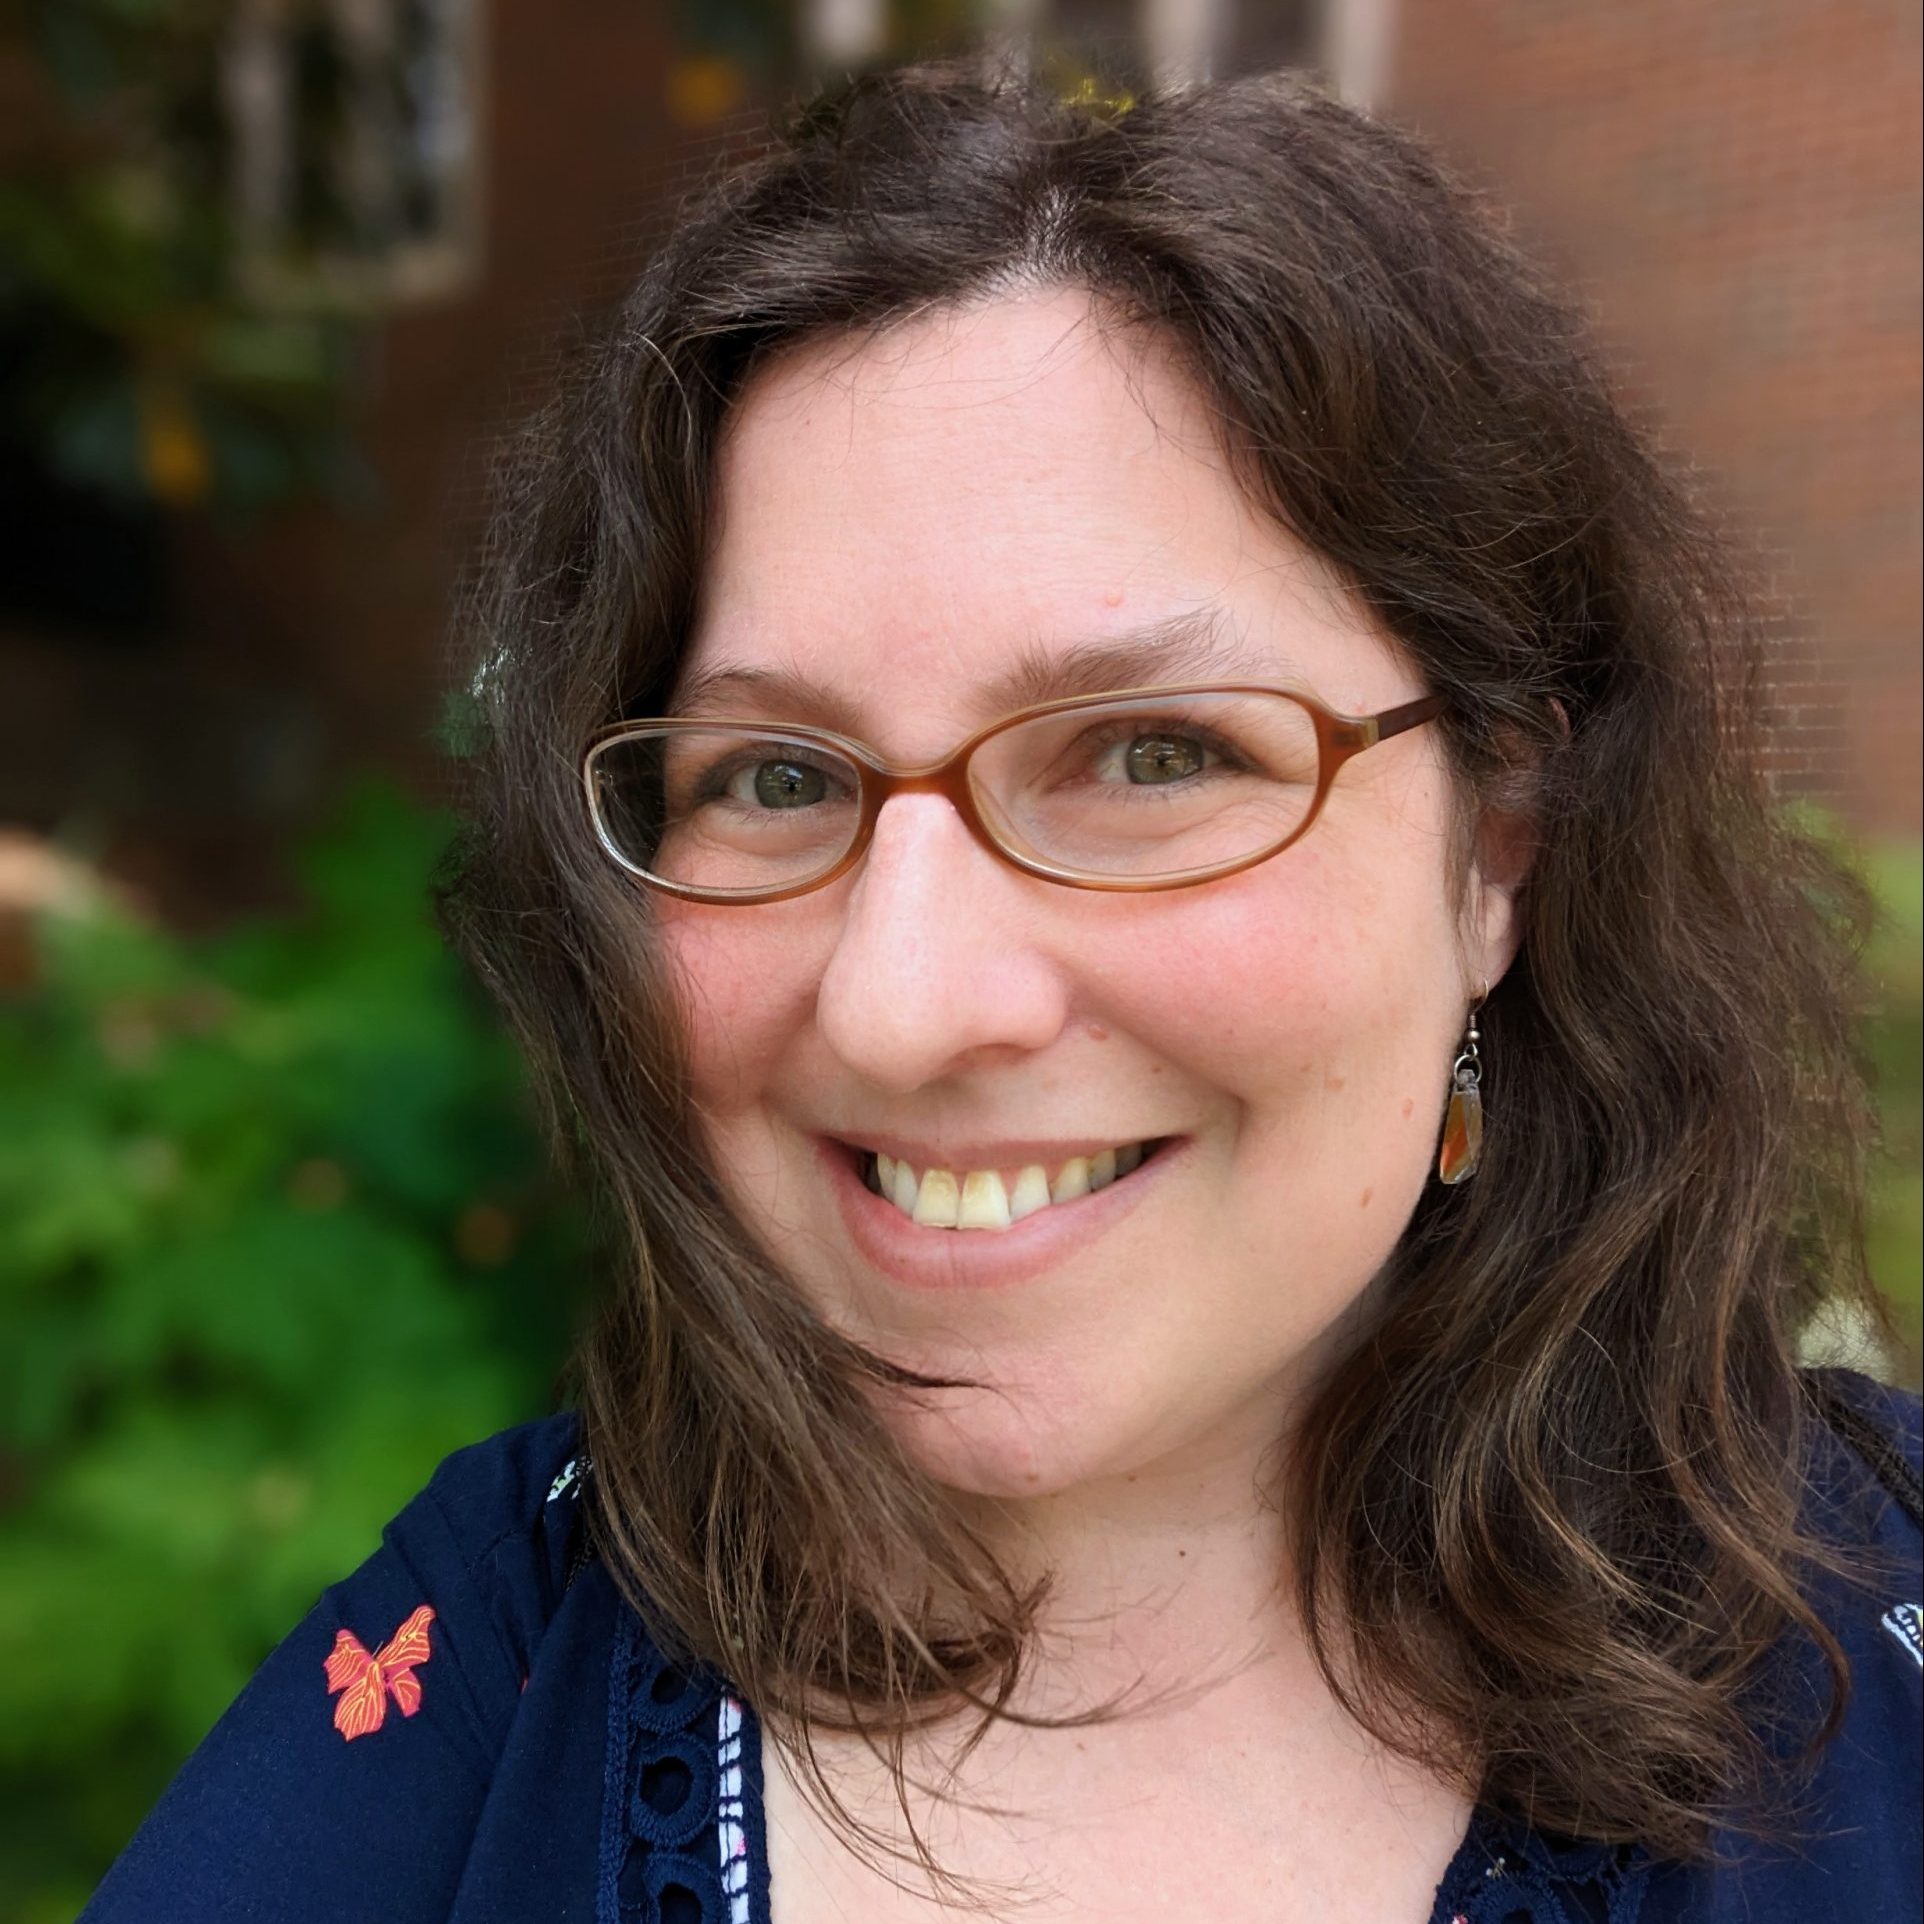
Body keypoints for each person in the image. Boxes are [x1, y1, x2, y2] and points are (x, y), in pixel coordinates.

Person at [81, 50, 1920, 1924]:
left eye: (1146, 757)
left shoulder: (1888, 1658)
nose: (903, 1004)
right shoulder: (482, 1660)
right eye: (775, 781)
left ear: (1498, 852)